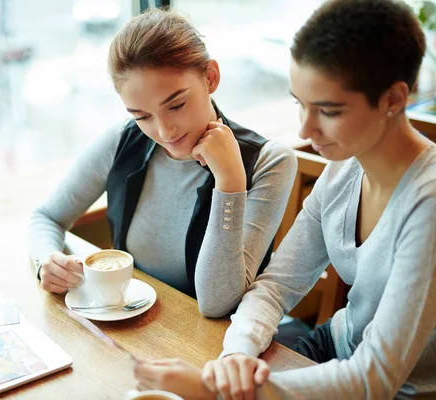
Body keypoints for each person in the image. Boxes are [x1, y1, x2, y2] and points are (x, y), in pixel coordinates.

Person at [134, 0, 436, 398]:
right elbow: (276, 285)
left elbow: (374, 378)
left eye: (327, 110)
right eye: (300, 103)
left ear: (393, 99)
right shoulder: (345, 168)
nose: (306, 129)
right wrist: (236, 356)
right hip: (334, 345)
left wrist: (212, 390)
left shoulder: (427, 204)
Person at [27, 9, 296, 317]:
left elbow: (218, 303)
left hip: (217, 350)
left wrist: (231, 184)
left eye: (177, 105)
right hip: (138, 332)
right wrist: (46, 259)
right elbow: (46, 217)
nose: (165, 131)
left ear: (210, 77)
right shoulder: (124, 140)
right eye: (142, 116)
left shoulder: (269, 162)